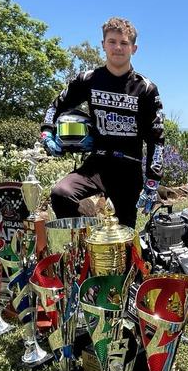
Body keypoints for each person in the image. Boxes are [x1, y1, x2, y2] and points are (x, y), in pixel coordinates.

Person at [40, 17, 164, 228]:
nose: (118, 48)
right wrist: (47, 133)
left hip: (129, 167)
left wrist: (152, 181)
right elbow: (55, 106)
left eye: (124, 43)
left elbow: (156, 138)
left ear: (134, 48)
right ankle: (83, 244)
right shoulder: (88, 79)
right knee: (61, 193)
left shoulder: (146, 88)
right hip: (96, 165)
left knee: (124, 237)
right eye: (112, 41)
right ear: (103, 45)